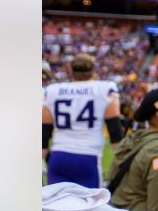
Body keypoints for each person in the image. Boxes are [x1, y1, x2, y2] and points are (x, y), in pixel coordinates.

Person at [42, 53, 124, 187]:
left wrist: (43, 157)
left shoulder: (53, 90)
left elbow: (44, 132)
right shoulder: (104, 89)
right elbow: (115, 132)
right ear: (93, 70)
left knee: (57, 205)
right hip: (88, 157)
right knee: (90, 206)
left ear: (71, 70)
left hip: (58, 157)